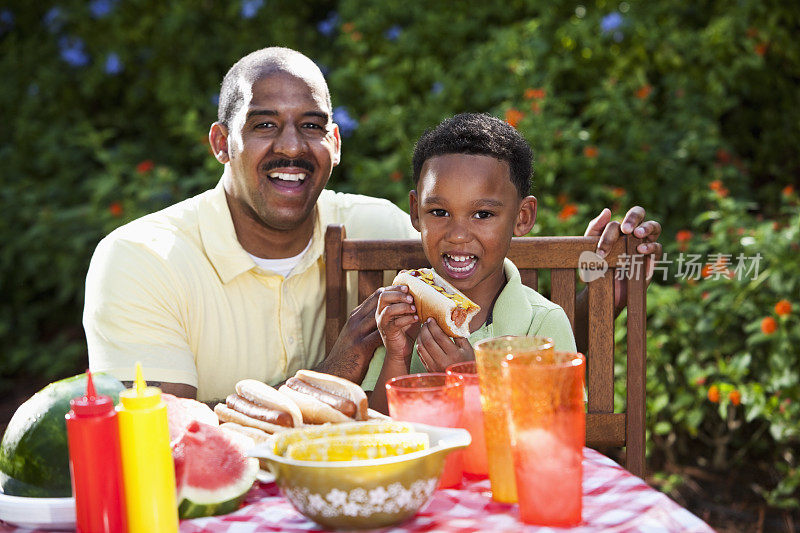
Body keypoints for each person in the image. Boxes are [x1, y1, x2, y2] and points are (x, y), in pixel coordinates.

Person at [84, 47, 661, 402]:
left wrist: (603, 291)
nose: (291, 146)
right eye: (264, 125)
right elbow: (166, 443)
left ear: (334, 143)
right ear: (220, 142)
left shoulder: (376, 227)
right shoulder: (140, 258)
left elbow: (508, 320)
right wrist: (332, 375)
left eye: (312, 125)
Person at [366, 113, 577, 412]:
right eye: (439, 212)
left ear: (523, 217)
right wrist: (396, 356)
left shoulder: (541, 325)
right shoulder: (400, 316)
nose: (458, 235)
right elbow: (378, 434)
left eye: (482, 215)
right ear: (416, 212)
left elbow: (550, 438)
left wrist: (473, 380)